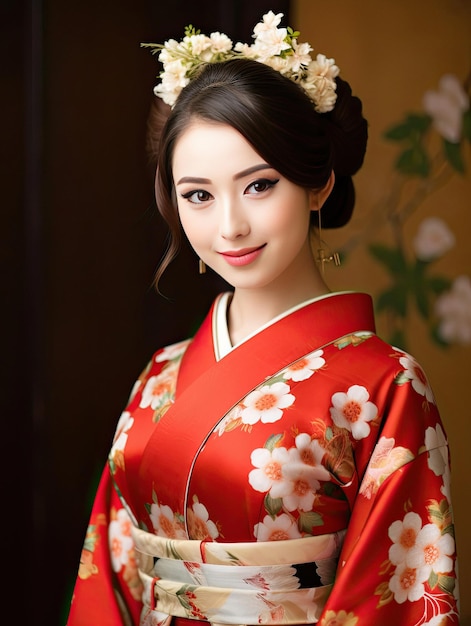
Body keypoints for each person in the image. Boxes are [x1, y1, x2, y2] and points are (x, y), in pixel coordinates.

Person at [65, 11, 460, 626]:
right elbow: (110, 568)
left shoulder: (385, 385)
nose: (230, 227)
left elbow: (396, 596)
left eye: (259, 186)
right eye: (198, 195)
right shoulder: (161, 372)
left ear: (319, 184)